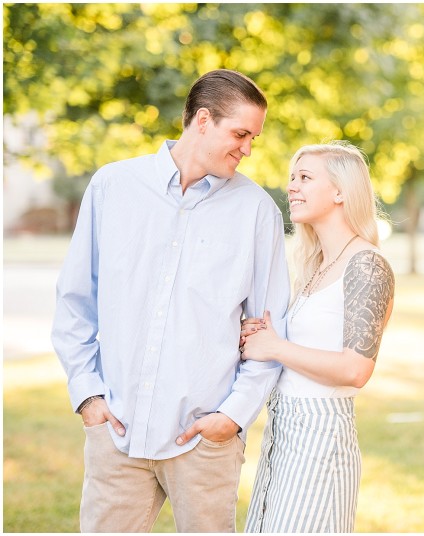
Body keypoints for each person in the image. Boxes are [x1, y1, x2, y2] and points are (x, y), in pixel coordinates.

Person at [50, 69, 290, 532]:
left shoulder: (257, 210)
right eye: (240, 134)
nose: (248, 149)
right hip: (116, 432)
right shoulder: (112, 187)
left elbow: (268, 328)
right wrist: (88, 396)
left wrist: (232, 417)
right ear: (203, 120)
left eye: (253, 138)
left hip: (205, 443)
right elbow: (75, 301)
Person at [239, 141, 395, 533]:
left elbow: (356, 369)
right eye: (292, 177)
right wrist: (261, 336)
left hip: (322, 435)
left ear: (341, 191)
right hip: (284, 430)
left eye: (305, 177)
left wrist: (276, 347)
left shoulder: (367, 264)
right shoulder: (315, 265)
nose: (292, 186)